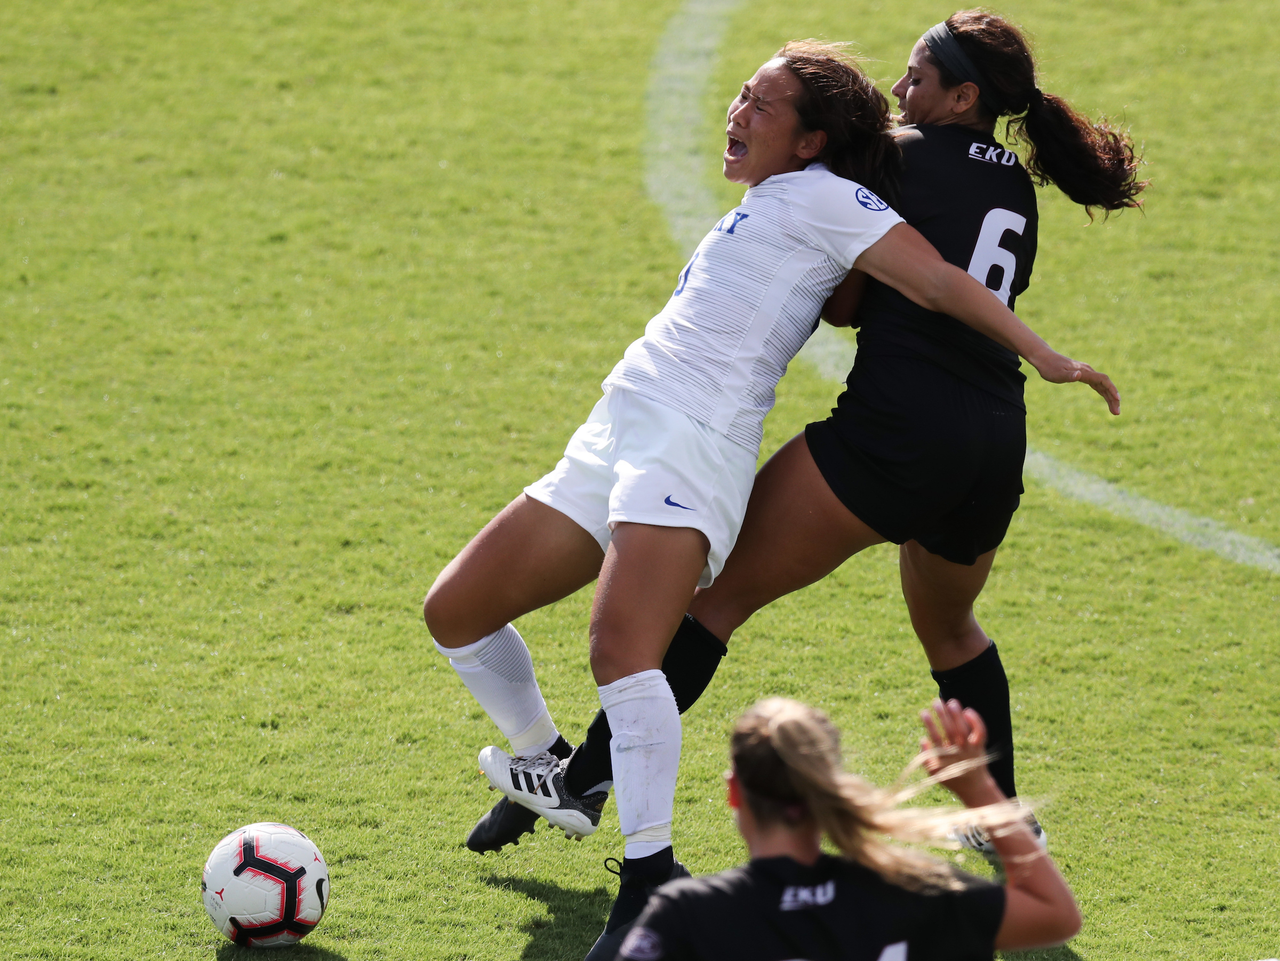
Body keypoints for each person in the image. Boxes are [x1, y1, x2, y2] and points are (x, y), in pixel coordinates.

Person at [426, 41, 1114, 961]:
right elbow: (872, 288)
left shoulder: (877, 170)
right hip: (988, 438)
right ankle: (1000, 821)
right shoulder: (1009, 189)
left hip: (870, 433)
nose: (901, 93)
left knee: (688, 617)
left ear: (962, 96)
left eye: (917, 78)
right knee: (952, 633)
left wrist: (1048, 351)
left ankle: (622, 835)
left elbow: (908, 286)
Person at [613, 697, 1082, 960]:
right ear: (827, 789)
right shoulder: (918, 892)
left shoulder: (686, 916)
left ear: (734, 791)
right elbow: (1055, 914)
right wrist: (978, 788)